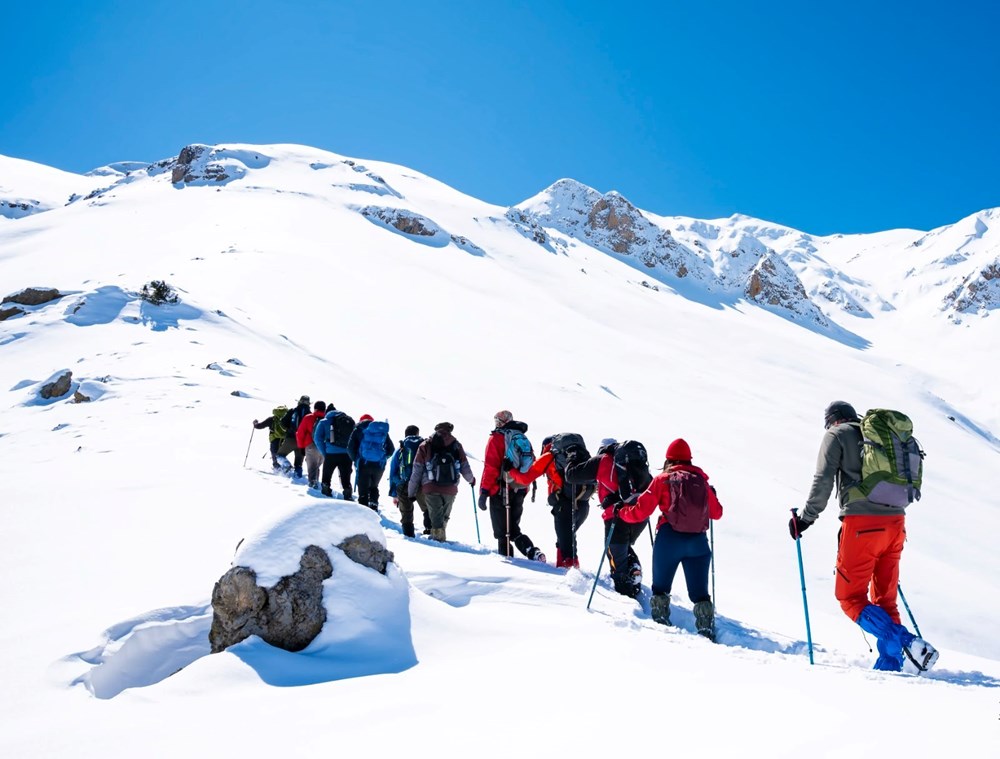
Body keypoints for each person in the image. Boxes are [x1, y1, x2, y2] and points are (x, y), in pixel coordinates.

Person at [789, 400, 938, 674]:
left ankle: (905, 641)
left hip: (863, 526)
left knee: (850, 598)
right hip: (896, 523)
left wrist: (805, 519)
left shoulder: (837, 434)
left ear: (832, 420)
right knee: (885, 600)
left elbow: (823, 480)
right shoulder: (877, 438)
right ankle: (890, 666)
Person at [618, 438, 723, 639]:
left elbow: (641, 511)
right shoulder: (702, 481)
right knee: (701, 595)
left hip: (669, 540)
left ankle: (662, 632)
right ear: (689, 459)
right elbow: (716, 513)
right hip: (698, 544)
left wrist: (621, 512)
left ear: (669, 459)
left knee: (660, 589)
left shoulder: (663, 479)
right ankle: (706, 630)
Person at [564, 438, 650, 597]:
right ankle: (634, 570)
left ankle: (628, 599)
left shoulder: (602, 461)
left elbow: (571, 475)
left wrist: (572, 457)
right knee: (623, 548)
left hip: (616, 518)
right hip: (640, 515)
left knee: (616, 558)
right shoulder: (632, 461)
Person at [508, 435, 592, 568]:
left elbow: (525, 479)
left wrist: (510, 470)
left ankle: (570, 579)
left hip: (564, 505)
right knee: (567, 540)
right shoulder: (578, 455)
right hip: (583, 503)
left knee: (567, 549)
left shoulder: (550, 456)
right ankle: (567, 570)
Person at [477, 410, 546, 561]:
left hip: (501, 489)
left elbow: (491, 467)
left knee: (502, 532)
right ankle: (533, 552)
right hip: (520, 488)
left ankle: (508, 563)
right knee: (513, 527)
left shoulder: (496, 438)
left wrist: (484, 491)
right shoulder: (521, 437)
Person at [407, 422, 476, 541]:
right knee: (444, 517)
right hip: (451, 487)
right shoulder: (456, 445)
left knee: (436, 518)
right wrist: (471, 479)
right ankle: (439, 539)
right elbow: (464, 465)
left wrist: (411, 492)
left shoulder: (426, 445)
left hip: (430, 486)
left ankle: (438, 543)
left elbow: (417, 469)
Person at [389, 425, 430, 537]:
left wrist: (394, 493)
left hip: (404, 483)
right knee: (427, 508)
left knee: (406, 511)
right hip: (421, 483)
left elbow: (393, 471)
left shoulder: (401, 449)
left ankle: (409, 535)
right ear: (417, 433)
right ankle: (429, 531)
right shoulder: (424, 447)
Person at [348, 414, 395, 511]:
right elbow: (391, 449)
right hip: (379, 465)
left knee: (363, 487)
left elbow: (350, 448)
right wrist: (383, 458)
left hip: (363, 463)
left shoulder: (358, 429)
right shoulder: (381, 432)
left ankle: (363, 509)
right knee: (374, 486)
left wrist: (355, 459)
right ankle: (373, 503)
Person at [313, 404, 355, 500]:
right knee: (346, 476)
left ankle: (326, 492)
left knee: (327, 475)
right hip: (346, 454)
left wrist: (325, 452)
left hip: (331, 453)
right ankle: (347, 493)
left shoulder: (324, 421)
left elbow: (317, 438)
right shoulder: (348, 421)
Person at [252, 404, 294, 471]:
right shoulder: (288, 418)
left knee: (274, 453)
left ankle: (279, 468)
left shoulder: (272, 419)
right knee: (281, 454)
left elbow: (259, 426)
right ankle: (285, 466)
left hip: (274, 439)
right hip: (285, 439)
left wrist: (255, 423)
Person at [296, 400, 327, 490]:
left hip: (311, 445)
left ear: (315, 408)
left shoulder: (308, 417)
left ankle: (313, 486)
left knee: (312, 467)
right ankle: (316, 483)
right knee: (316, 466)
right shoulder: (328, 420)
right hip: (323, 447)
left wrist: (301, 447)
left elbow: (300, 433)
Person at [281, 395, 312, 478]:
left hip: (291, 438)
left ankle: (287, 466)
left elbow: (283, 423)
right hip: (303, 441)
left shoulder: (293, 411)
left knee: (280, 455)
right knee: (298, 463)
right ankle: (298, 477)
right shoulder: (310, 415)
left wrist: (288, 429)